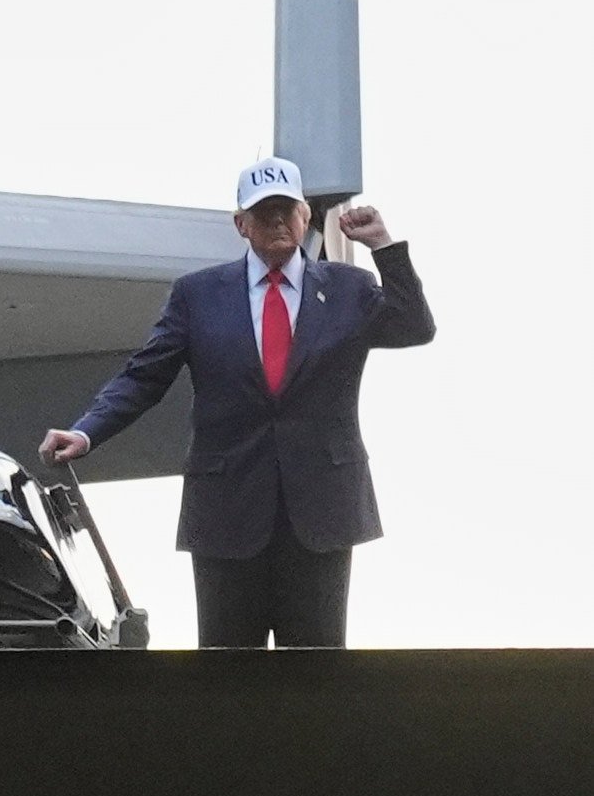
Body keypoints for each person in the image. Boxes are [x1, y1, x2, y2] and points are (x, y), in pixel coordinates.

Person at [38, 155, 433, 648]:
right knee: (226, 679)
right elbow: (144, 376)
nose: (277, 221)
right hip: (227, 510)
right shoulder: (197, 295)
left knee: (316, 681)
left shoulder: (348, 288)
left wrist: (384, 246)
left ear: (306, 217)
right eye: (263, 211)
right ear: (240, 224)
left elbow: (415, 327)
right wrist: (87, 429)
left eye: (287, 209)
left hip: (321, 512)